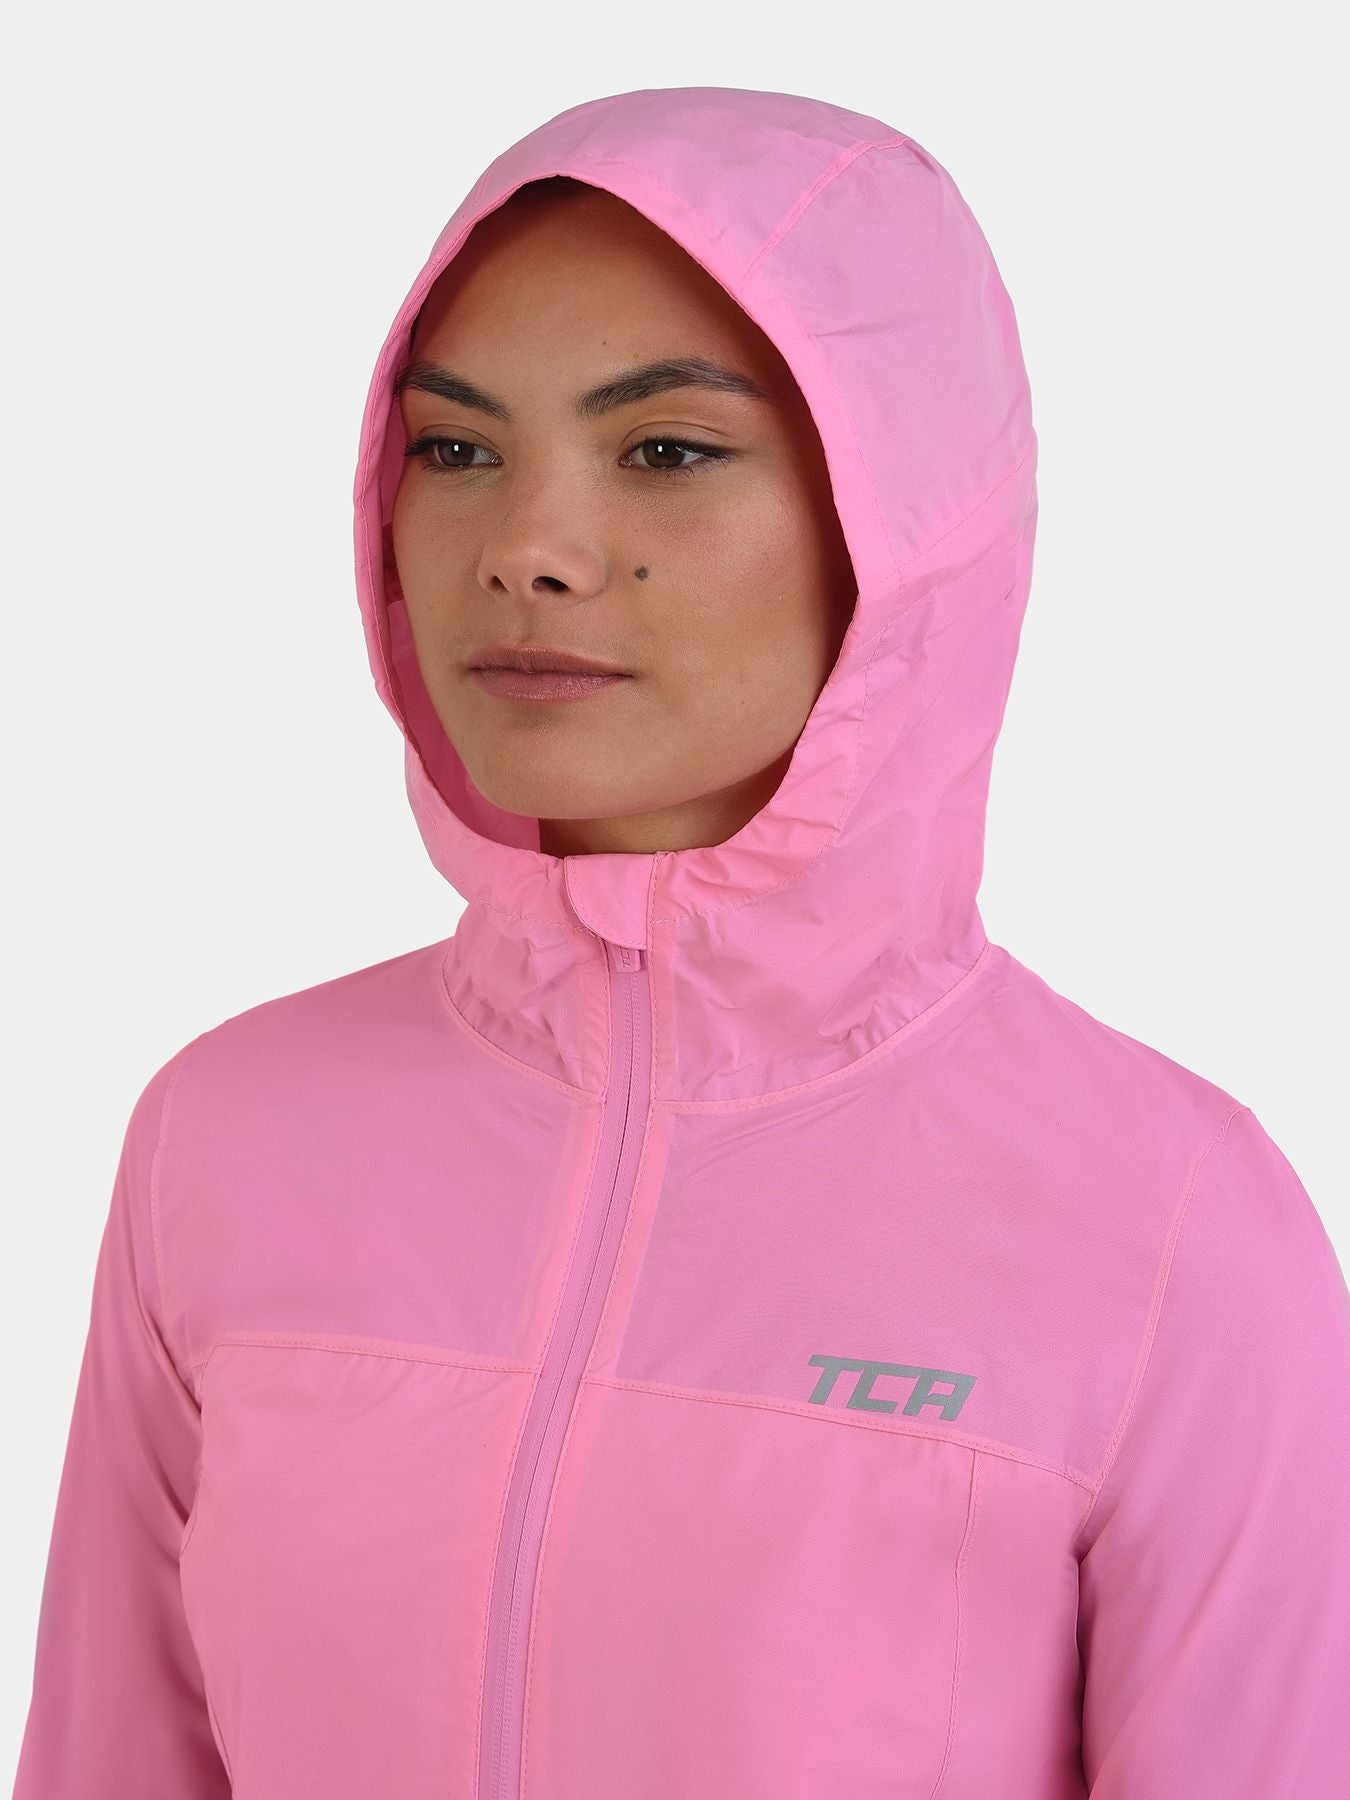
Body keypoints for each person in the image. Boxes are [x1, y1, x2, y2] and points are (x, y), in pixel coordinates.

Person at [12, 85, 1350, 1799]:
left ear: (907, 523)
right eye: (455, 448)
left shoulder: (1166, 1225)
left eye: (665, 449)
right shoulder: (228, 1133)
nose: (527, 551)